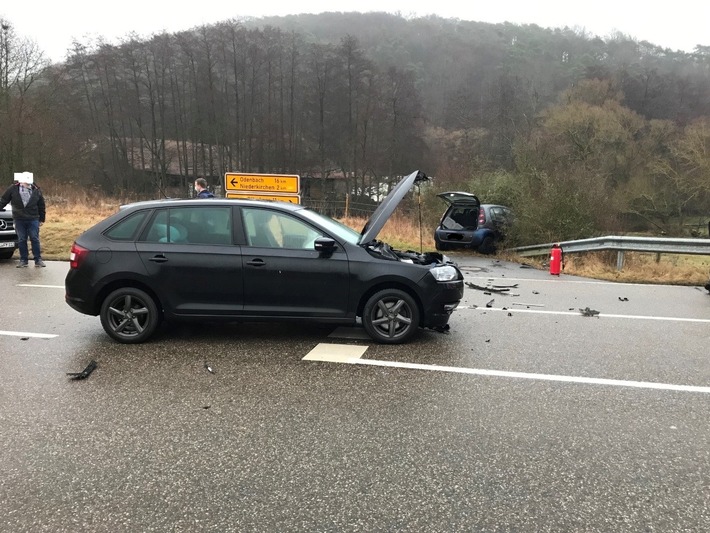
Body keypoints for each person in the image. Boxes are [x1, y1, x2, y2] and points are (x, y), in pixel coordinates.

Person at [0, 172, 46, 267]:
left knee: (34, 238)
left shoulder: (36, 190)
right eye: (26, 183)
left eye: (29, 183)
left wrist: (42, 219)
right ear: (21, 181)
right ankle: (23, 260)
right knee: (21, 239)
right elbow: (4, 201)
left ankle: (38, 259)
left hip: (33, 218)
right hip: (19, 219)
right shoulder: (12, 189)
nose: (27, 185)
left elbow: (41, 205)